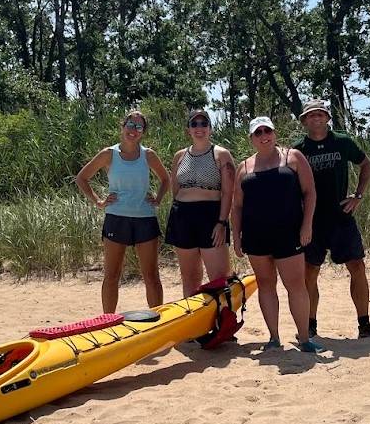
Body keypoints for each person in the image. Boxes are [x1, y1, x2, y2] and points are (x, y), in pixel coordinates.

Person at [293, 99, 370, 342]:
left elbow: (366, 165)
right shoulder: (298, 150)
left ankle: (364, 325)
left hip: (341, 217)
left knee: (357, 266)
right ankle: (310, 325)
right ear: (304, 121)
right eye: (310, 115)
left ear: (327, 117)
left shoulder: (343, 142)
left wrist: (358, 195)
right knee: (310, 271)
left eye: (320, 114)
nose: (316, 118)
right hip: (312, 220)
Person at [231, 116, 322, 353]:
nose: (264, 136)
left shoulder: (293, 157)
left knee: (296, 285)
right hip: (256, 235)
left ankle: (304, 339)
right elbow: (237, 206)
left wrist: (307, 226)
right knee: (265, 284)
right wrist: (237, 237)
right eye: (258, 132)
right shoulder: (245, 167)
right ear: (251, 138)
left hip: (289, 233)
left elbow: (310, 193)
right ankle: (273, 338)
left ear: (274, 132)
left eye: (267, 131)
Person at [76, 109, 171, 313]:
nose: (133, 130)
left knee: (152, 276)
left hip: (145, 218)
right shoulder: (108, 154)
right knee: (112, 275)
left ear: (143, 132)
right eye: (130, 125)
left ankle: (159, 322)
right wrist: (99, 201)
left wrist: (158, 199)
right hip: (116, 218)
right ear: (122, 127)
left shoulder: (148, 155)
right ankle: (107, 321)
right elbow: (81, 178)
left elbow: (166, 179)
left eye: (138, 127)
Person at [166, 108, 235, 298]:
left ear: (210, 128)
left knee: (219, 279)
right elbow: (175, 189)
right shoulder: (180, 156)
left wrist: (221, 222)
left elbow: (229, 192)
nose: (199, 128)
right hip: (183, 216)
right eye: (194, 124)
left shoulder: (221, 154)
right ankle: (194, 324)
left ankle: (222, 323)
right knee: (189, 277)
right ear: (188, 129)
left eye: (203, 123)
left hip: (211, 217)